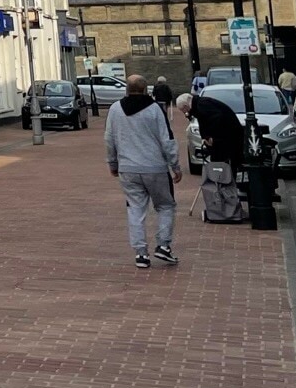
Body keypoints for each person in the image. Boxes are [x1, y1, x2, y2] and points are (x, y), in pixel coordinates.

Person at [104, 73, 180, 269]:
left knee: (135, 209)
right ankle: (163, 245)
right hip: (155, 168)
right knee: (165, 206)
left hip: (128, 168)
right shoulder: (155, 109)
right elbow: (167, 139)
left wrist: (113, 164)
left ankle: (141, 253)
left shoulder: (115, 110)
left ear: (127, 89)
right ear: (146, 89)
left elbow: (109, 139)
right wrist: (175, 165)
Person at [182, 90, 247, 223]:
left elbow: (216, 118)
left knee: (225, 171)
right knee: (224, 170)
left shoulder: (202, 105)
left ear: (186, 106)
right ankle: (223, 203)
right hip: (225, 140)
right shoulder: (201, 104)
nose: (185, 113)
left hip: (227, 141)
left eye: (183, 110)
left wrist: (210, 136)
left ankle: (226, 204)